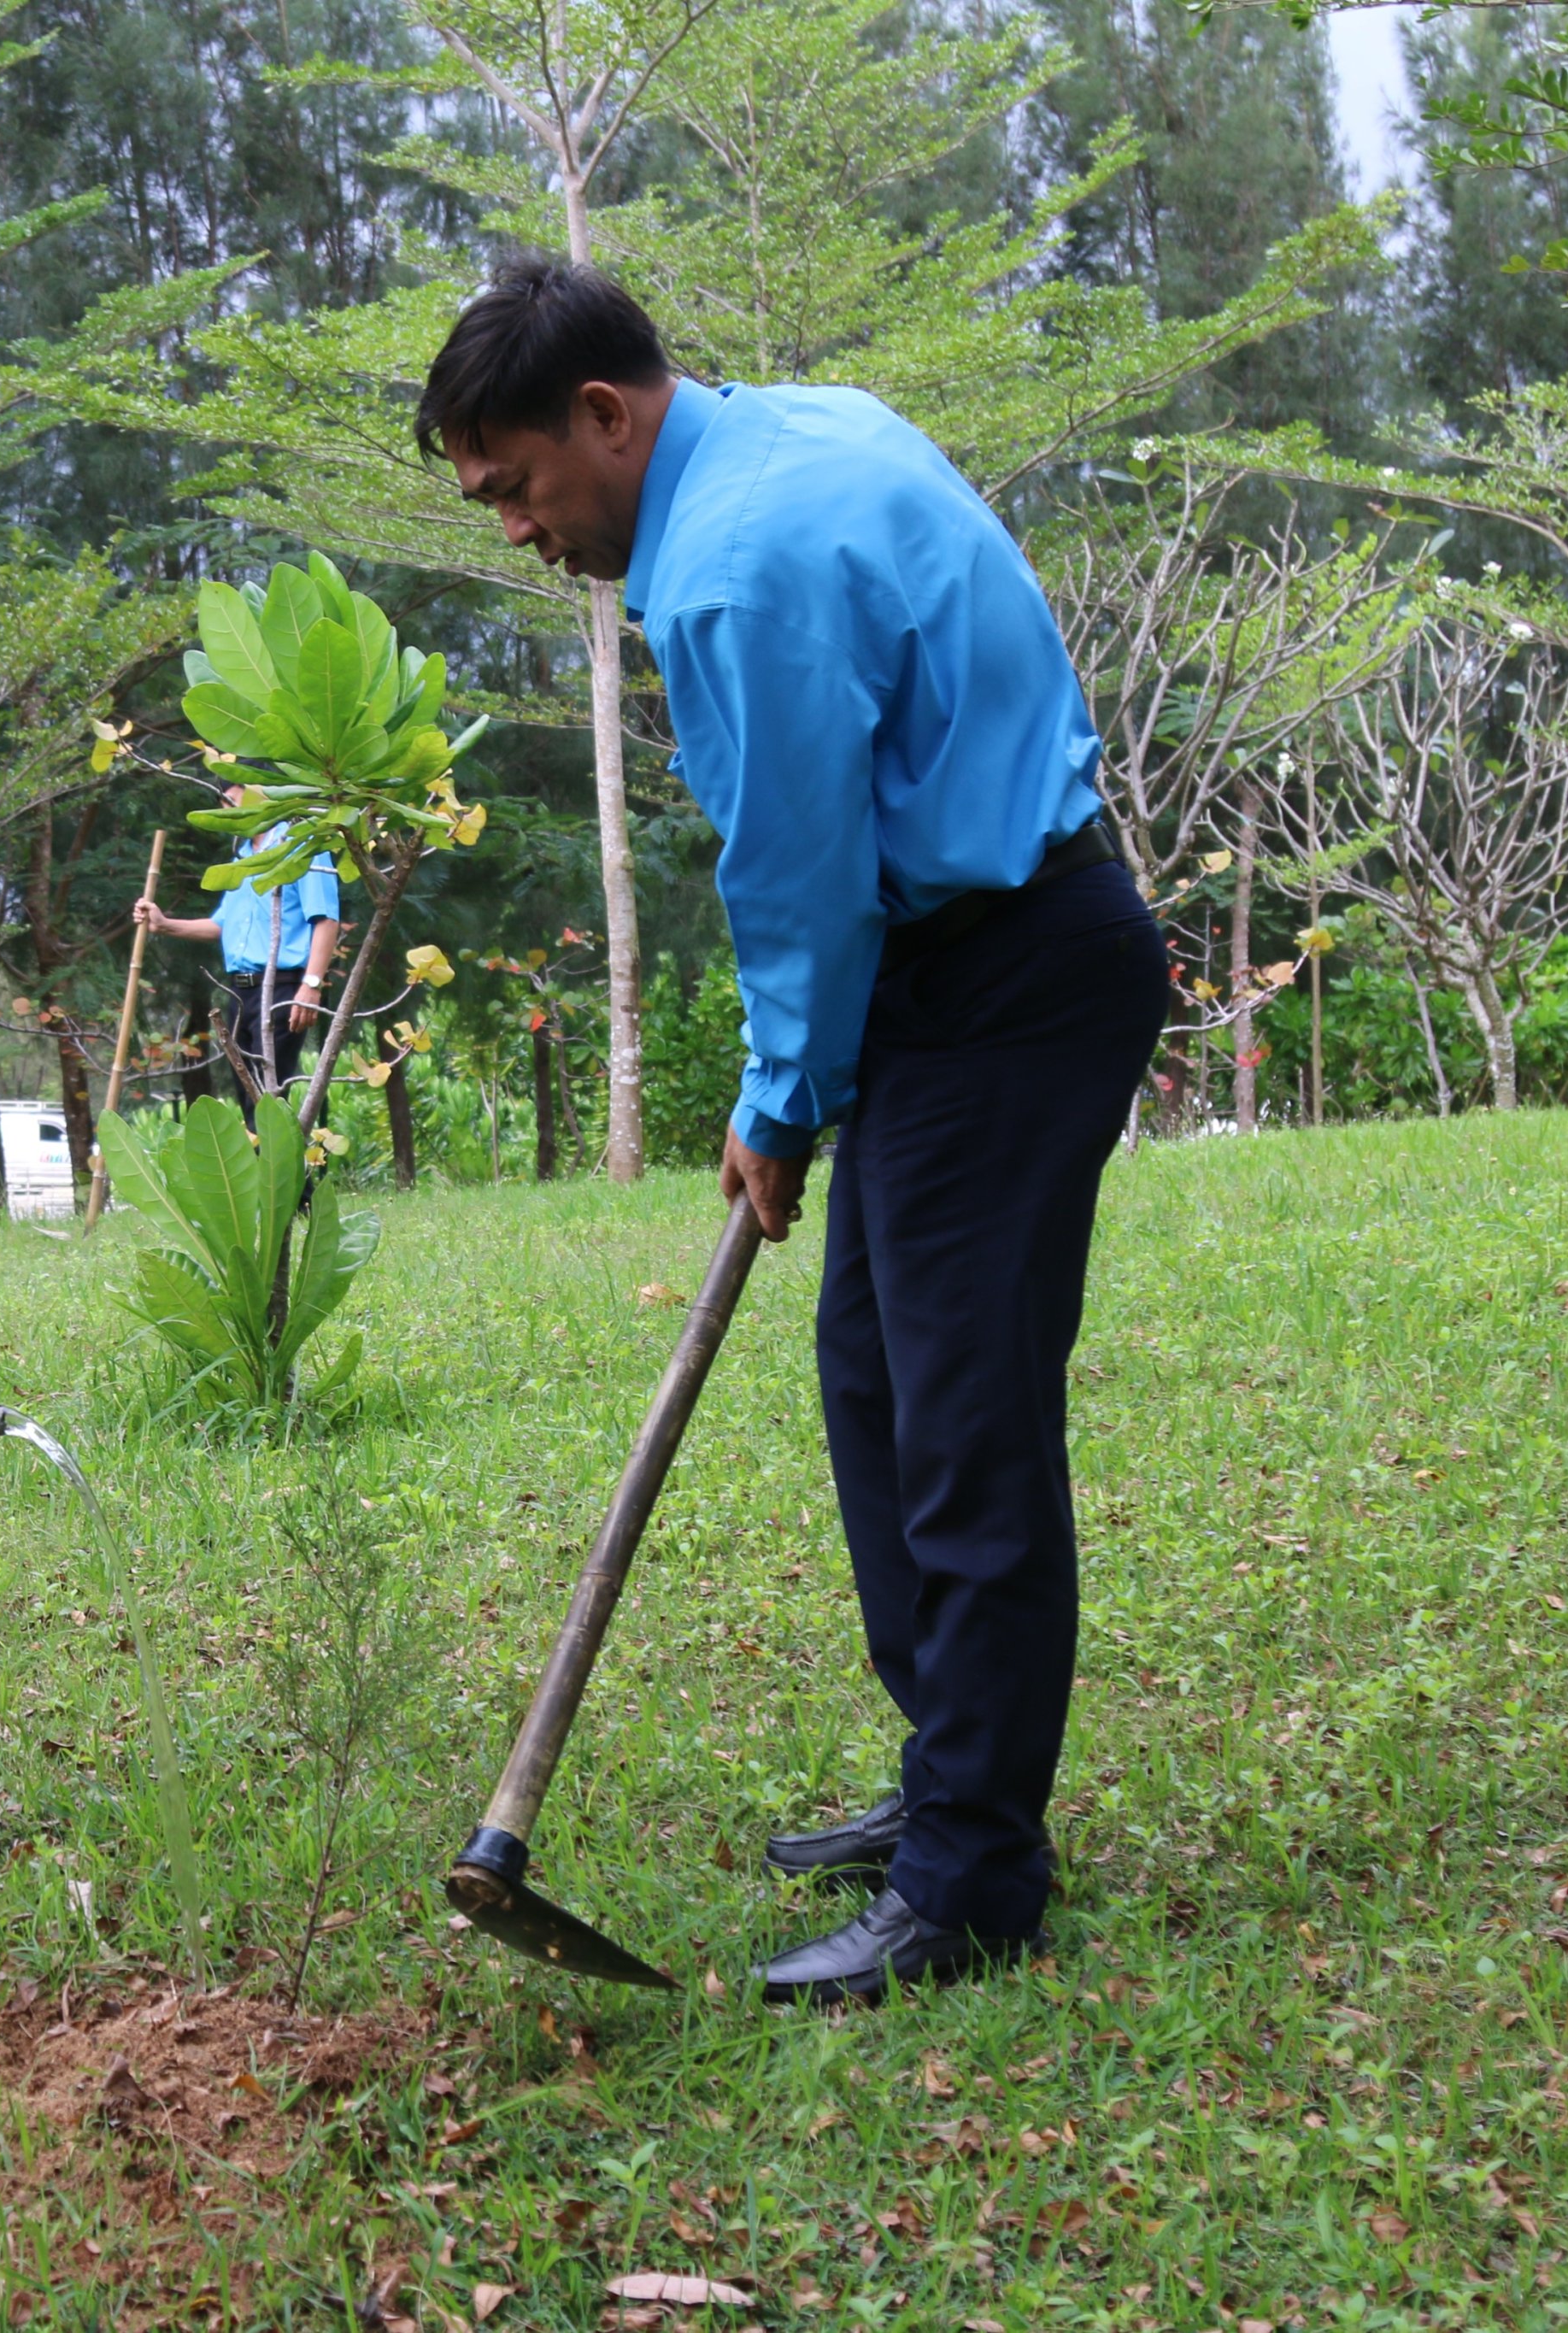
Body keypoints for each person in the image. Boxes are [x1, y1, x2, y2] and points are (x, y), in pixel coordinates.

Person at [420, 257, 1168, 2005]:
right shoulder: (794, 428)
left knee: (959, 1426)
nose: (515, 531)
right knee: (878, 1386)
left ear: (605, 416)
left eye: (516, 486)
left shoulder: (731, 571)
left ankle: (974, 1877)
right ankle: (944, 1783)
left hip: (1000, 976)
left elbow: (799, 875)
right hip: (965, 968)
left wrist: (777, 1100)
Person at [132, 783, 344, 1113]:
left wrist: (312, 984)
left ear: (263, 795)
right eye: (223, 800)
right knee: (248, 1099)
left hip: (283, 988)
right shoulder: (242, 856)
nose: (227, 807)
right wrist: (164, 924)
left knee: (267, 1101)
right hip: (238, 994)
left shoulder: (303, 845)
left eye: (234, 798)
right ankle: (255, 1162)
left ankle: (276, 1164)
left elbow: (326, 919)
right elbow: (222, 925)